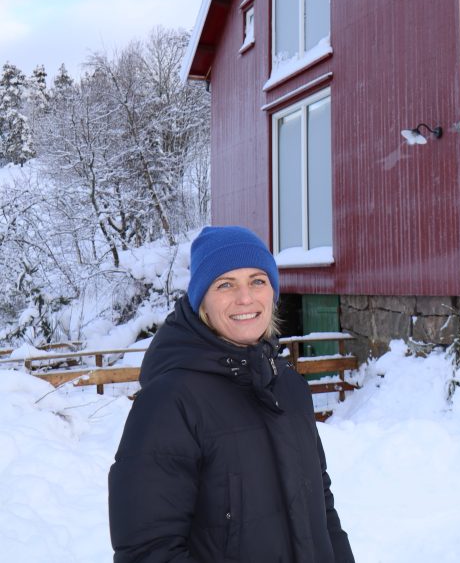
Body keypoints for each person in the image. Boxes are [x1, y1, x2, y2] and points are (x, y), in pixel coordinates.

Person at [108, 225, 356, 562]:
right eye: (226, 284)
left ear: (273, 292)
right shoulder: (170, 401)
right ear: (202, 302)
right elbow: (149, 551)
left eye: (258, 280)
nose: (245, 297)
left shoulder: (288, 386)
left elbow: (321, 507)